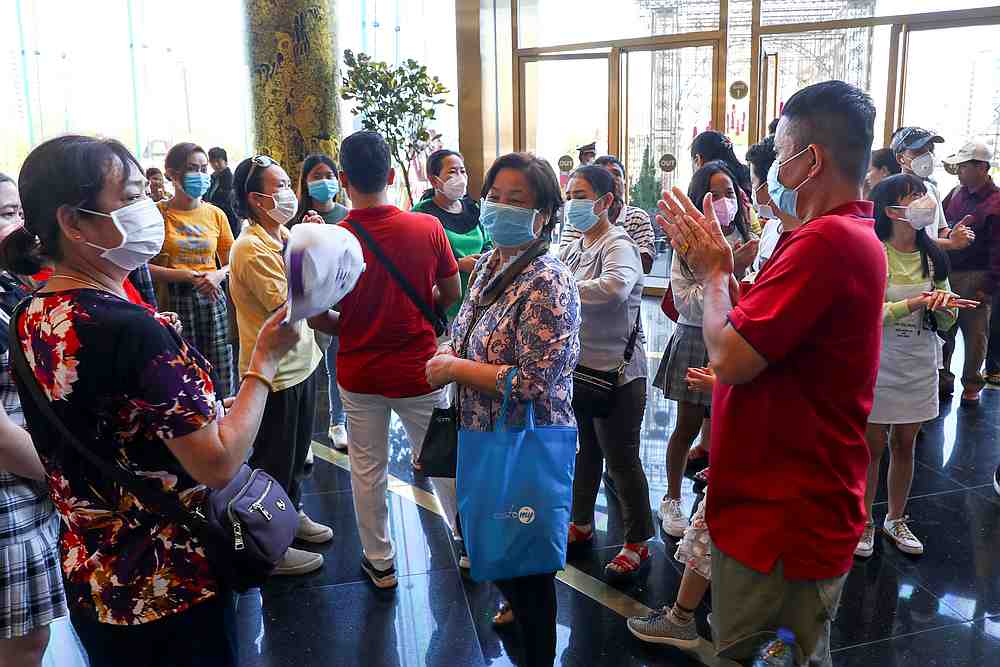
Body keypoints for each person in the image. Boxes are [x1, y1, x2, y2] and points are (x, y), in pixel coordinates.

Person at [6, 134, 297, 666]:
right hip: (169, 582)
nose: (148, 210)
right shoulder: (129, 327)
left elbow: (107, 422)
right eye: (131, 198)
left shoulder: (34, 313)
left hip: (95, 575)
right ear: (73, 222)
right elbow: (217, 462)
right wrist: (264, 363)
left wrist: (202, 407)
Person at [657, 81, 886, 665]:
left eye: (780, 148)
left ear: (811, 159)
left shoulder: (827, 242)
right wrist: (729, 285)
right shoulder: (825, 235)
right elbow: (768, 340)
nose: (771, 164)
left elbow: (730, 357)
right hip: (776, 501)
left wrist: (711, 274)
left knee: (766, 652)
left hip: (784, 516)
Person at [424, 151, 580, 667]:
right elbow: (470, 330)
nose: (498, 208)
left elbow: (538, 380)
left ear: (544, 214)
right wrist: (451, 351)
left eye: (517, 200)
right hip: (484, 434)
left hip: (524, 441)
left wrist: (455, 370)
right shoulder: (493, 259)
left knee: (528, 565)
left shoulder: (548, 280)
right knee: (499, 546)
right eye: (493, 196)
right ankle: (516, 611)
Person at [307, 131, 462, 590]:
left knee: (367, 467)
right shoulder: (426, 228)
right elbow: (451, 294)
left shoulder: (332, 238)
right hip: (421, 369)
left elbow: (319, 316)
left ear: (343, 180)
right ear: (392, 176)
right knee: (441, 458)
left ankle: (380, 562)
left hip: (359, 372)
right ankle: (469, 546)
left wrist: (355, 322)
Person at [230, 155, 333, 576]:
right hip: (276, 374)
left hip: (302, 361)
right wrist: (323, 263)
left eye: (289, 182)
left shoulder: (281, 234)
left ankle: (291, 515)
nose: (289, 192)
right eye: (280, 186)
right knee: (273, 460)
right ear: (256, 199)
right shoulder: (251, 248)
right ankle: (268, 547)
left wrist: (314, 243)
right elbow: (288, 304)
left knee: (294, 457)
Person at [858, 174, 966, 559]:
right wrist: (914, 303)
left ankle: (896, 517)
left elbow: (946, 314)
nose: (924, 200)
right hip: (879, 360)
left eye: (924, 194)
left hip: (919, 358)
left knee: (906, 444)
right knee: (872, 446)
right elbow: (866, 314)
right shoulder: (873, 252)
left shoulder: (934, 255)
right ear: (890, 210)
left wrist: (947, 308)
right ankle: (864, 521)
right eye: (913, 196)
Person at [558, 165, 654, 580]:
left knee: (621, 460)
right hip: (581, 369)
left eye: (580, 194)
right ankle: (580, 523)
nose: (572, 203)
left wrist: (561, 287)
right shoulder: (577, 246)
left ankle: (637, 540)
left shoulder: (618, 244)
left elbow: (614, 288)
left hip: (618, 375)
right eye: (569, 195)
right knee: (585, 454)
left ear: (605, 201)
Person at [653, 160, 756, 539]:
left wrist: (738, 272)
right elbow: (688, 303)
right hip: (696, 339)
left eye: (730, 193)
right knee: (688, 426)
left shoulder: (745, 241)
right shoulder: (687, 246)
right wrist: (729, 272)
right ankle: (673, 498)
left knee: (729, 429)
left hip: (738, 342)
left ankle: (718, 500)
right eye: (714, 194)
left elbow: (751, 302)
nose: (724, 201)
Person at [0, 175, 69, 667]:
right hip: (11, 492)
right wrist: (64, 475)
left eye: (19, 213)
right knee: (22, 644)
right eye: (5, 215)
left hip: (28, 481)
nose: (19, 227)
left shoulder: (8, 283)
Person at [149, 142, 236, 398]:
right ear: (172, 174)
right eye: (191, 169)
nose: (200, 175)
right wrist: (185, 275)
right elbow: (141, 267)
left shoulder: (216, 214)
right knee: (183, 375)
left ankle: (225, 424)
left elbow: (233, 260)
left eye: (202, 168)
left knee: (220, 372)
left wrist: (218, 275)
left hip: (212, 298)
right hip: (174, 301)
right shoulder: (157, 214)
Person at [291, 154, 350, 451]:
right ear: (305, 182)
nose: (324, 181)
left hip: (340, 301)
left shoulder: (346, 215)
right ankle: (303, 440)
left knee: (335, 364)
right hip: (307, 304)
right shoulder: (295, 219)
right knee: (307, 367)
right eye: (316, 176)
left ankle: (338, 422)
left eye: (329, 174)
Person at [941, 141, 1000, 404]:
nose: (959, 172)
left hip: (977, 275)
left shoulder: (996, 203)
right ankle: (943, 379)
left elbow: (999, 250)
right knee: (944, 330)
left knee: (975, 334)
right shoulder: (955, 193)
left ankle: (972, 384)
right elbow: (941, 226)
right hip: (949, 271)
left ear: (982, 167)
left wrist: (988, 286)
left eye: (964, 167)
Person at [412, 149, 492, 320]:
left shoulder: (473, 208)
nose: (460, 177)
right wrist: (457, 264)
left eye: (462, 171)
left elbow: (488, 242)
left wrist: (485, 259)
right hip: (443, 307)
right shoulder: (421, 214)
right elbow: (415, 263)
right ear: (434, 180)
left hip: (478, 302)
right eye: (452, 172)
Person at [559, 155, 657, 274]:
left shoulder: (637, 217)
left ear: (625, 182)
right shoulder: (578, 218)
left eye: (616, 174)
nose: (611, 178)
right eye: (604, 175)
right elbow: (563, 265)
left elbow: (645, 265)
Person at [891, 127, 973, 252]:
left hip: (928, 266)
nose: (927, 156)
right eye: (918, 151)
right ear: (900, 158)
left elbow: (939, 230)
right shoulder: (891, 191)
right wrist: (951, 243)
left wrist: (952, 234)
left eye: (929, 150)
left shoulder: (931, 190)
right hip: (903, 269)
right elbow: (908, 241)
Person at [745, 136, 802, 277]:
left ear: (771, 181)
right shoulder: (771, 227)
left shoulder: (805, 235)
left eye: (753, 183)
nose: (752, 191)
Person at [206, 147, 241, 238]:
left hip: (229, 220)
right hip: (212, 219)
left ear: (225, 161)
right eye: (212, 162)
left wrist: (211, 205)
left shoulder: (231, 180)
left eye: (218, 161)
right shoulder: (211, 178)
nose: (215, 164)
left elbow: (230, 203)